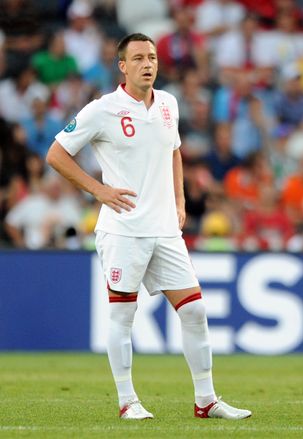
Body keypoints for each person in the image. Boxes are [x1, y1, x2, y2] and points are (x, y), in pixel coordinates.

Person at [46, 33, 251, 421]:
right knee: (123, 316)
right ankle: (128, 402)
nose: (148, 63)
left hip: (165, 230)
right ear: (122, 66)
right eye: (138, 57)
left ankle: (206, 400)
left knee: (195, 312)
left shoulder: (169, 104)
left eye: (152, 57)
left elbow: (174, 151)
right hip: (123, 230)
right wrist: (99, 190)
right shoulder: (102, 110)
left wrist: (180, 200)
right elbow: (57, 154)